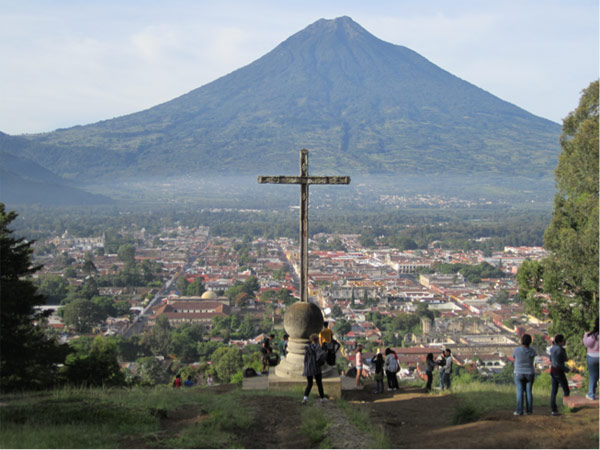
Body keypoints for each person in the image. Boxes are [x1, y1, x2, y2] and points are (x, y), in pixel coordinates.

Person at [512, 333, 537, 415]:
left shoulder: (516, 350)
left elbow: (514, 357)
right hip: (530, 373)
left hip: (518, 373)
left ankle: (519, 411)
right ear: (530, 342)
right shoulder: (532, 351)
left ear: (522, 341)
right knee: (528, 392)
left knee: (520, 391)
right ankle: (529, 411)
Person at [302, 333, 327, 404]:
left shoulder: (307, 348)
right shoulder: (318, 347)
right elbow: (319, 358)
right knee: (319, 383)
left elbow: (305, 359)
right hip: (316, 367)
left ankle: (305, 398)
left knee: (309, 384)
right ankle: (322, 398)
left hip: (308, 368)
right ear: (317, 339)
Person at [550, 334, 570, 416]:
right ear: (560, 341)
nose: (565, 341)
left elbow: (551, 359)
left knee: (554, 390)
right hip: (558, 371)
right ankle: (566, 406)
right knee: (566, 390)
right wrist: (567, 369)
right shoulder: (559, 350)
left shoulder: (553, 348)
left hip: (553, 370)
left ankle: (553, 409)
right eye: (563, 340)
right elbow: (559, 363)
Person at [583, 318, 599, 401]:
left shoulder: (593, 336)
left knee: (593, 376)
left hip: (592, 357)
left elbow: (586, 343)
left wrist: (586, 335)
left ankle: (591, 394)